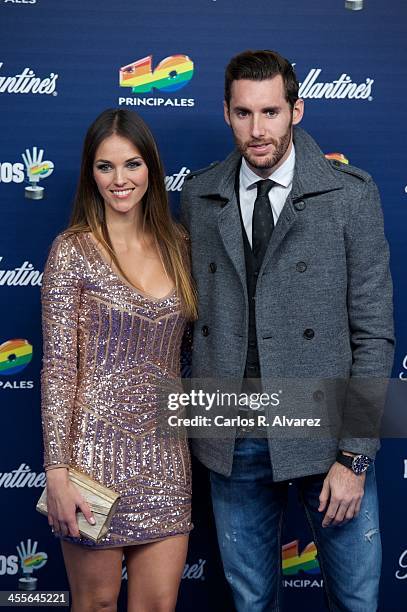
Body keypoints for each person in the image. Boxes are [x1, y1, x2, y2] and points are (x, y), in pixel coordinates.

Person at [180, 50, 394, 611]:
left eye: (271, 112)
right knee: (250, 601)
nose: (258, 130)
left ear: (296, 110)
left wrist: (356, 458)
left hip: (327, 428)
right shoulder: (199, 198)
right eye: (244, 113)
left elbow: (374, 334)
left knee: (357, 599)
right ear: (225, 112)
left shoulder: (352, 194)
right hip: (233, 426)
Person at [41, 108, 197, 612]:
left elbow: (189, 356)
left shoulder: (181, 248)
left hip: (165, 460)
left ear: (151, 167)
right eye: (105, 167)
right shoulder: (72, 251)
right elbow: (59, 368)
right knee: (96, 605)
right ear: (91, 173)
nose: (119, 179)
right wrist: (57, 472)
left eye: (131, 164)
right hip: (91, 461)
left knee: (157, 606)